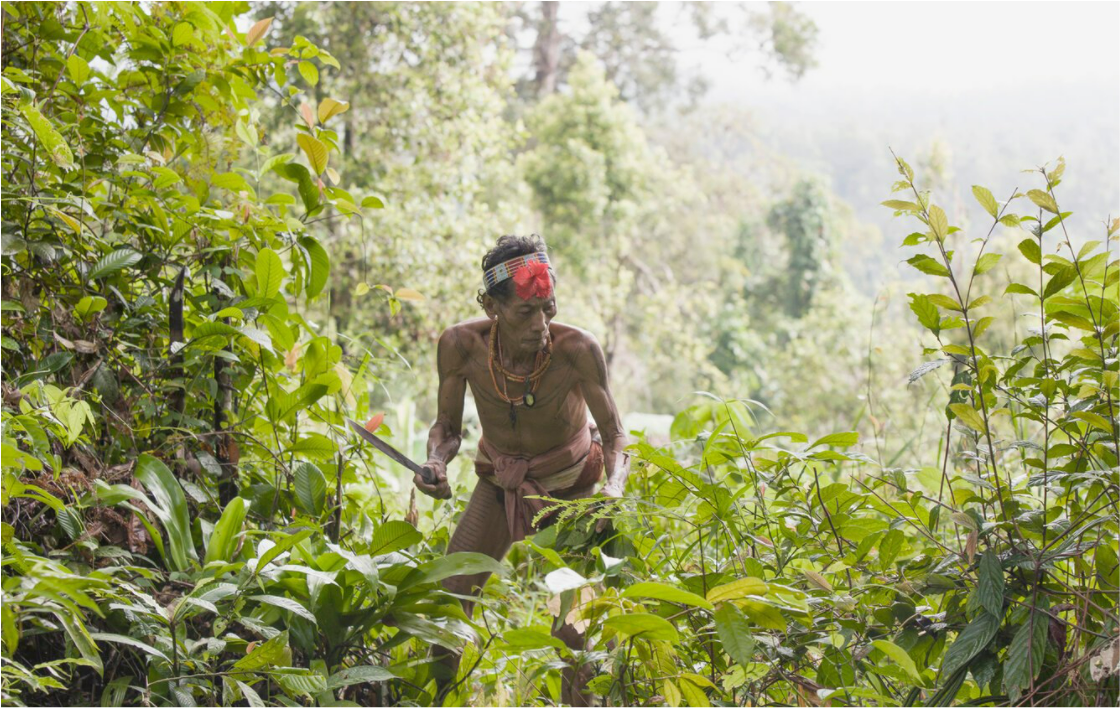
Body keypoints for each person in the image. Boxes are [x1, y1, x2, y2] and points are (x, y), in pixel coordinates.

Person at [415, 234, 630, 706]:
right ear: (492, 307)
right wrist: (435, 461)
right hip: (498, 484)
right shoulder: (460, 346)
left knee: (574, 627)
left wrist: (613, 488)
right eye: (525, 313)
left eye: (547, 309)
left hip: (572, 490)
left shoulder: (578, 350)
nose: (541, 325)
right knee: (447, 602)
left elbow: (615, 435)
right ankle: (441, 698)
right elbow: (446, 427)